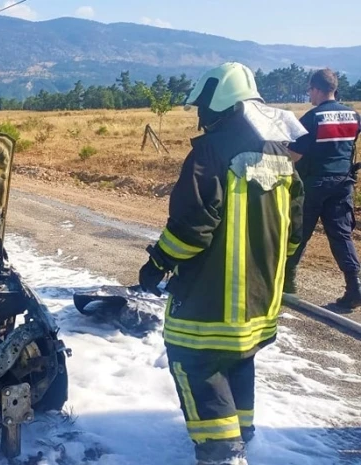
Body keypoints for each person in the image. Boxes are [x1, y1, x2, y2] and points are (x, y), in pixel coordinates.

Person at [138, 62, 305, 465]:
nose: (199, 116)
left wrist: (157, 264)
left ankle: (221, 453)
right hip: (259, 301)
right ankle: (242, 435)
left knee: (194, 361)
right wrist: (284, 281)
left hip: (211, 302)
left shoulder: (209, 153)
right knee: (238, 358)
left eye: (203, 107)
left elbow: (192, 227)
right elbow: (294, 231)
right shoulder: (282, 156)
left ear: (221, 103)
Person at [284, 69, 361, 311]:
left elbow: (295, 155)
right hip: (342, 184)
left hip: (314, 184)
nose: (309, 94)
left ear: (317, 89)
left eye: (309, 90)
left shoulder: (312, 118)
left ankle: (287, 285)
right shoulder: (354, 116)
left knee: (298, 233)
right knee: (341, 236)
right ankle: (355, 287)